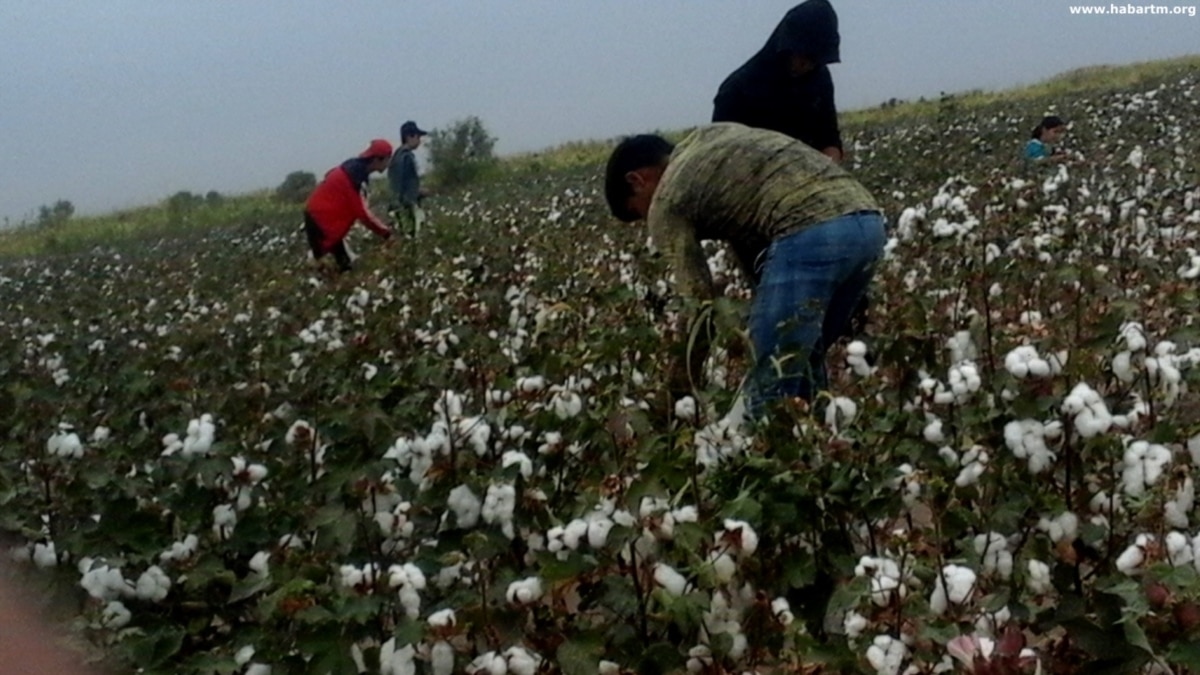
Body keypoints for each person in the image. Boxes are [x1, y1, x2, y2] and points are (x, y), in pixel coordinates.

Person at [604, 124, 886, 414]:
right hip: (869, 223)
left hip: (810, 230)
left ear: (637, 180)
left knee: (770, 379)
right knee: (803, 362)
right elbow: (749, 239)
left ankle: (759, 450)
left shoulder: (666, 198)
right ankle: (814, 445)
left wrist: (676, 392)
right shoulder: (712, 140)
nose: (647, 221)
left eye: (639, 212)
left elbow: (699, 306)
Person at [712, 0, 844, 163]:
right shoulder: (735, 92)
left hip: (811, 176)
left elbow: (828, 137)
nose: (807, 65)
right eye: (802, 55)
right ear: (785, 46)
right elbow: (721, 160)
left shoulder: (820, 79)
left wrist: (829, 165)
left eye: (815, 59)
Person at [303, 139, 394, 273]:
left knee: (341, 267)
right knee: (334, 268)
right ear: (377, 159)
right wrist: (386, 233)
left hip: (317, 216)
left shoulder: (352, 168)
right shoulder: (356, 178)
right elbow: (363, 214)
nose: (388, 163)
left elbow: (329, 175)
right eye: (387, 159)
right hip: (322, 221)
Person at [388, 120, 429, 237]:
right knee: (411, 236)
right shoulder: (406, 157)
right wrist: (417, 193)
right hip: (407, 206)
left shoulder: (397, 156)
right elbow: (402, 185)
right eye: (418, 137)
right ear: (409, 137)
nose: (419, 140)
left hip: (400, 206)